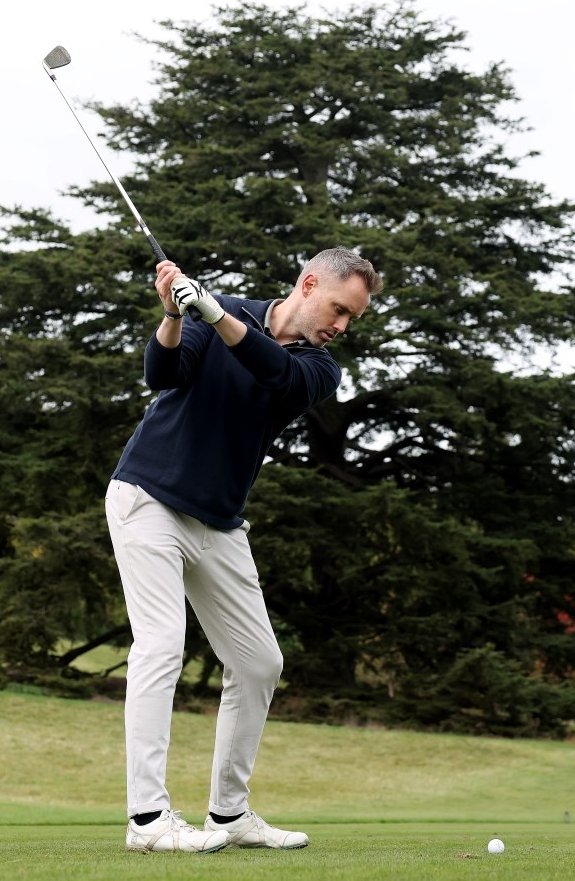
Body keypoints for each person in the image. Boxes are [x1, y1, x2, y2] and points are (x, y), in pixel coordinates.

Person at [106, 248, 382, 853]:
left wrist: (211, 311)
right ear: (309, 284)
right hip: (148, 497)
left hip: (219, 522)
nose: (341, 325)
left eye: (351, 319)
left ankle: (229, 815)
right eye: (339, 309)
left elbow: (271, 373)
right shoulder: (218, 313)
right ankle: (148, 821)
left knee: (260, 663)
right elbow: (162, 375)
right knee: (159, 645)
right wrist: (177, 315)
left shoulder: (318, 370)